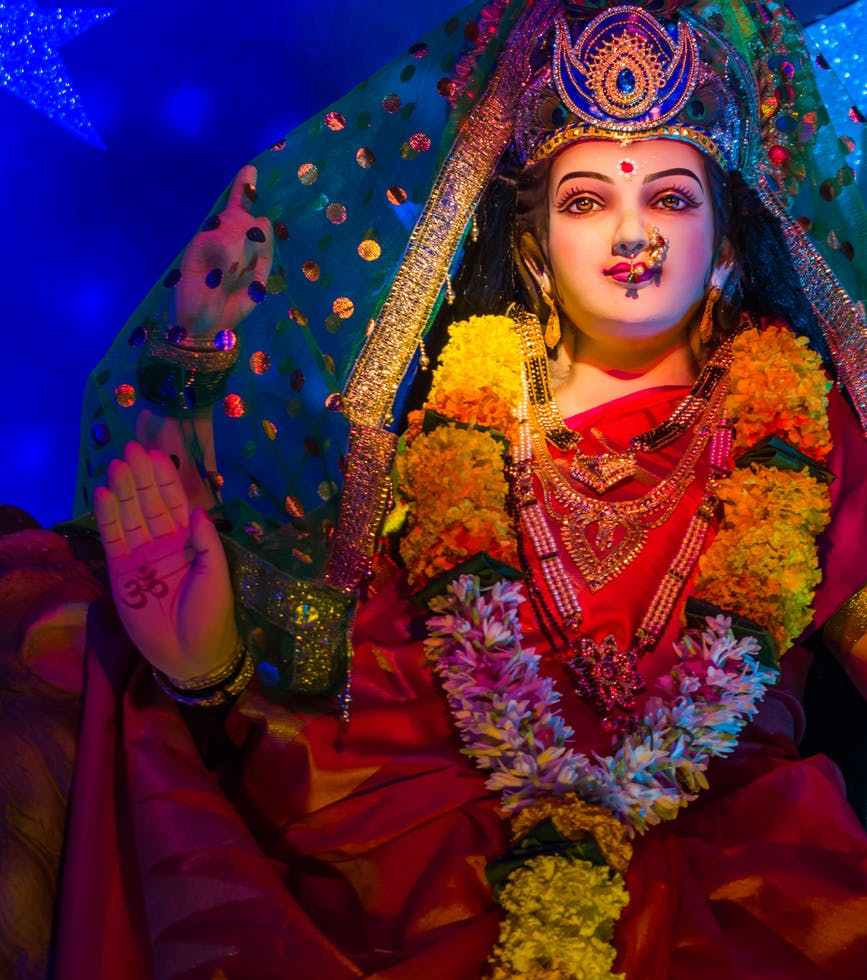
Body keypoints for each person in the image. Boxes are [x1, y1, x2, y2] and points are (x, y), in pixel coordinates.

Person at [4, 0, 867, 977]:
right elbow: (355, 695)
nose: (635, 231)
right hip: (446, 857)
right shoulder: (437, 436)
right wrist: (208, 665)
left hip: (748, 872)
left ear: (731, 239)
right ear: (534, 245)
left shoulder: (813, 434)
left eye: (671, 196)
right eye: (587, 199)